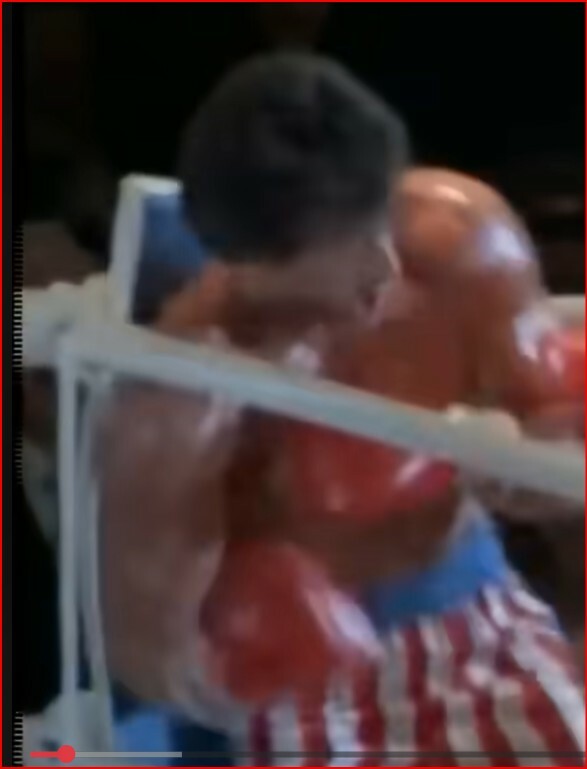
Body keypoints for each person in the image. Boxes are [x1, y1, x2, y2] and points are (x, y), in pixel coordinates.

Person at [98, 54, 584, 766]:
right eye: (355, 244)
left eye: (382, 219)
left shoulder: (460, 240)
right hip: (308, 697)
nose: (387, 264)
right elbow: (150, 656)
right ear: (257, 262)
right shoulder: (184, 396)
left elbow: (558, 451)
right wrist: (245, 667)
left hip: (482, 610)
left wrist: (532, 467)